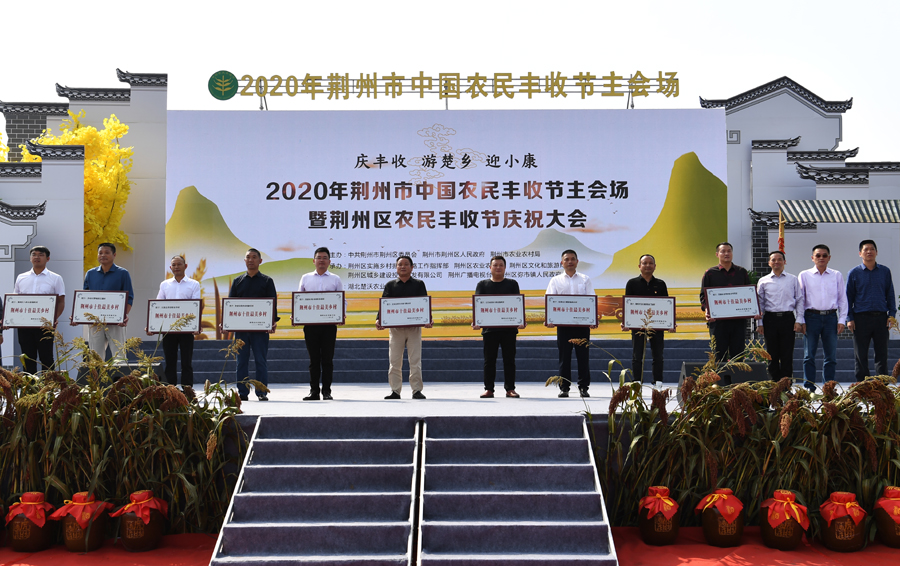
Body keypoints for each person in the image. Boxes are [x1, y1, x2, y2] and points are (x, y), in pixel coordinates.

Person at [376, 256, 431, 399]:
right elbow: (385, 304)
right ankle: (395, 391)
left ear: (412, 268)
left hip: (414, 328)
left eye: (406, 264)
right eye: (400, 264)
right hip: (396, 330)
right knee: (394, 361)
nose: (403, 267)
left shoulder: (419, 284)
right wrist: (379, 319)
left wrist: (428, 319)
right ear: (396, 268)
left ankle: (416, 390)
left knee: (415, 360)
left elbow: (424, 303)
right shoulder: (390, 285)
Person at [545, 249, 597, 398]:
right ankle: (564, 388)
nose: (570, 262)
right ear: (562, 262)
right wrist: (550, 319)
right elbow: (550, 300)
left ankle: (583, 388)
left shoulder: (585, 279)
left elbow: (591, 299)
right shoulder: (555, 280)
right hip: (564, 326)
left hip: (582, 325)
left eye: (572, 259)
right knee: (564, 358)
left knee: (583, 357)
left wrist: (592, 319)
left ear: (577, 262)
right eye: (566, 259)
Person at [700, 242, 755, 381]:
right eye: (723, 251)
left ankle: (738, 385)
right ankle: (719, 385)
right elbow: (703, 297)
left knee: (738, 354)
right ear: (717, 254)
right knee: (719, 355)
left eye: (729, 251)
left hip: (738, 322)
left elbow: (748, 293)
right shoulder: (710, 273)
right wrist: (707, 309)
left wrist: (753, 308)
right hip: (718, 322)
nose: (726, 253)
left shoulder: (741, 272)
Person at [228, 248, 278, 401]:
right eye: (248, 257)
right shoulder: (237, 281)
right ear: (244, 260)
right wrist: (227, 323)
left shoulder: (267, 281)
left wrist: (272, 321)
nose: (251, 260)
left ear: (260, 261)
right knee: (241, 362)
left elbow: (272, 303)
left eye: (254, 257)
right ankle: (242, 393)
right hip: (241, 330)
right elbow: (230, 304)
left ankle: (261, 392)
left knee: (260, 361)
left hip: (260, 330)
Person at [798, 244, 848, 392]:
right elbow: (800, 299)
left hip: (831, 317)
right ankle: (809, 388)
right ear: (812, 258)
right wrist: (801, 320)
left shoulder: (836, 275)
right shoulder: (804, 275)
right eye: (818, 255)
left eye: (824, 255)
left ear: (829, 258)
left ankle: (828, 388)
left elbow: (842, 299)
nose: (821, 258)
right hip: (811, 317)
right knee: (809, 356)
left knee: (830, 357)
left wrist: (842, 320)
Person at [474, 256, 525, 398]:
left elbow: (517, 304)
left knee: (509, 360)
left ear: (505, 267)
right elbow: (479, 305)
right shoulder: (483, 285)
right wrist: (477, 321)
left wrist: (520, 320)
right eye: (495, 265)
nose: (498, 267)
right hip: (490, 330)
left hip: (509, 329)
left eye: (501, 265)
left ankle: (510, 389)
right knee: (489, 361)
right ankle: (489, 389)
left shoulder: (512, 284)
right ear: (490, 268)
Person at [9, 246, 66, 374]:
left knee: (47, 358)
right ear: (30, 258)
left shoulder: (55, 278)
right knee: (27, 358)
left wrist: (53, 319)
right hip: (24, 325)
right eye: (34, 254)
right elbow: (15, 300)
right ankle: (30, 385)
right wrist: (10, 319)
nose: (37, 257)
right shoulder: (21, 277)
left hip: (45, 326)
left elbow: (61, 302)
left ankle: (49, 385)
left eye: (41, 255)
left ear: (47, 258)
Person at [846, 239, 896, 380]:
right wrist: (850, 318)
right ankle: (863, 385)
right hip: (861, 318)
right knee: (860, 354)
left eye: (872, 249)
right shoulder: (854, 273)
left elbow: (890, 294)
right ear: (860, 253)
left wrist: (891, 315)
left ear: (876, 252)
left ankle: (882, 384)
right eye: (866, 249)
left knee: (882, 354)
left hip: (881, 318)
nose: (869, 252)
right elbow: (848, 297)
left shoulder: (885, 271)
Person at [299, 247, 344, 401]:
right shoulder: (305, 278)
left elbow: (342, 300)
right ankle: (314, 391)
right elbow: (299, 299)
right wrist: (296, 316)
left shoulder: (335, 279)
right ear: (314, 261)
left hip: (329, 326)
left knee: (327, 360)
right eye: (319, 257)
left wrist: (341, 315)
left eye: (325, 258)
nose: (321, 260)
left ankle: (326, 391)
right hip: (310, 326)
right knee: (314, 360)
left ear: (329, 261)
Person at [152, 255, 201, 389]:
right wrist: (152, 326)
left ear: (185, 266)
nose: (176, 267)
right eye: (174, 265)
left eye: (179, 264)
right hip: (169, 329)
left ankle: (187, 391)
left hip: (187, 329)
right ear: (170, 267)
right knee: (170, 361)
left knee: (186, 362)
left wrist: (196, 325)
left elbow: (195, 306)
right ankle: (170, 390)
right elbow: (158, 305)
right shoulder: (164, 284)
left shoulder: (194, 284)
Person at [79, 242, 134, 360]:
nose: (103, 255)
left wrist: (124, 315)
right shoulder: (90, 273)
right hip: (95, 321)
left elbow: (129, 297)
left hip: (116, 320)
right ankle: (97, 373)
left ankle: (119, 373)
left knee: (119, 355)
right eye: (100, 253)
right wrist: (79, 315)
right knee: (95, 356)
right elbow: (84, 297)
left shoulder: (123, 273)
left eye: (107, 252)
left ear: (114, 255)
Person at [756, 251, 803, 379]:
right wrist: (759, 323)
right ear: (769, 263)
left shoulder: (792, 279)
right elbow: (759, 304)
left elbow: (799, 300)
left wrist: (799, 320)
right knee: (771, 354)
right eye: (773, 259)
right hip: (770, 319)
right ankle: (774, 384)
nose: (776, 262)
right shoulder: (763, 281)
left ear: (784, 262)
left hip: (788, 319)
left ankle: (786, 384)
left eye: (779, 259)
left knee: (787, 354)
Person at [624, 254, 669, 385]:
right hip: (638, 325)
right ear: (639, 266)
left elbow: (666, 305)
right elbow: (628, 304)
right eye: (645, 263)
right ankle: (637, 382)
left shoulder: (661, 284)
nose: (648, 265)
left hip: (657, 325)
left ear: (655, 266)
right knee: (637, 355)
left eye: (650, 263)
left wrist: (670, 323)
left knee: (658, 355)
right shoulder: (632, 283)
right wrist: (626, 322)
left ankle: (658, 383)